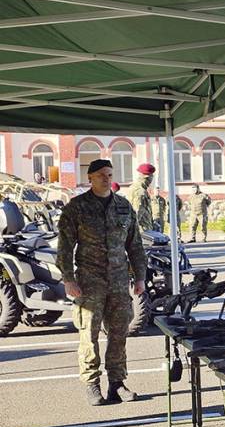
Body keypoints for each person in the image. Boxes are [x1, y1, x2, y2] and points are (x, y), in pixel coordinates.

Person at [56, 159, 147, 406]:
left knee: (119, 334)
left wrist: (140, 277)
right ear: (91, 178)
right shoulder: (77, 207)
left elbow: (135, 245)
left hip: (119, 280)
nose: (106, 179)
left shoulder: (124, 206)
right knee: (89, 333)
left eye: (109, 174)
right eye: (101, 175)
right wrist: (68, 279)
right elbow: (64, 246)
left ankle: (117, 384)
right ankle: (92, 384)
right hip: (89, 280)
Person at [127, 163, 156, 233]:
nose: (151, 180)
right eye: (151, 177)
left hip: (143, 229)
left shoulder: (136, 188)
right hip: (141, 232)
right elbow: (137, 214)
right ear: (147, 177)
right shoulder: (140, 192)